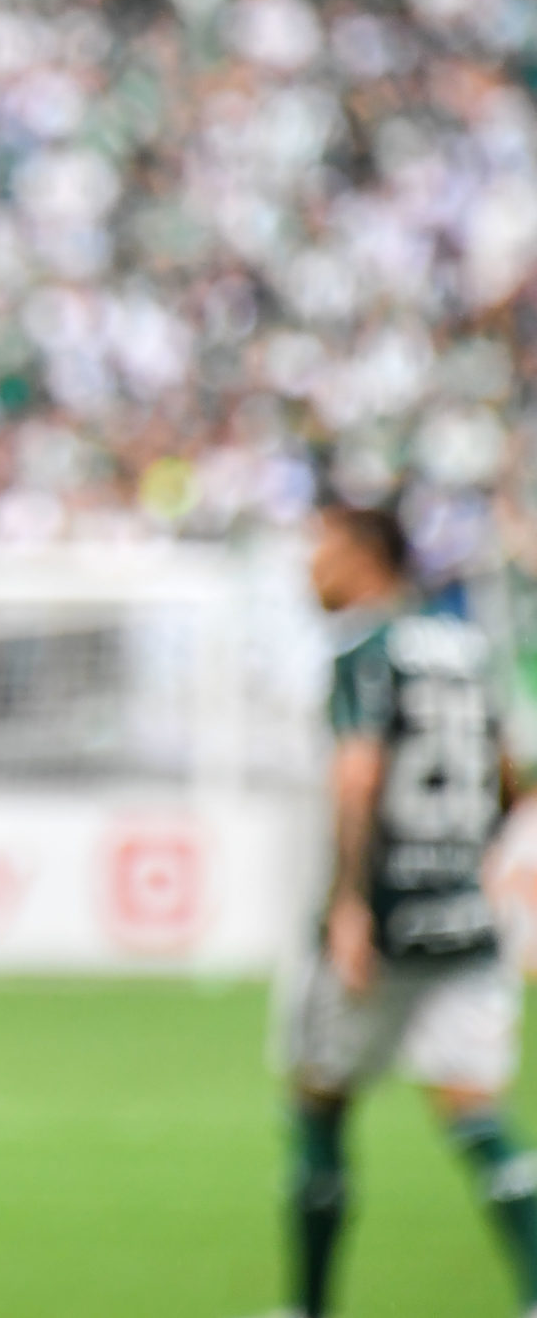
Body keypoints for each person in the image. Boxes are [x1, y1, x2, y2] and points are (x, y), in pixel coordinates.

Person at [281, 504, 537, 1318]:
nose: (309, 565)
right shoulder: (469, 651)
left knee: (318, 1094)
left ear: (364, 555)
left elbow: (357, 778)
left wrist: (350, 905)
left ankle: (310, 1307)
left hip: (384, 919)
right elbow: (511, 773)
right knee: (476, 1108)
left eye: (320, 547)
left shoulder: (365, 652)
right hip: (464, 914)